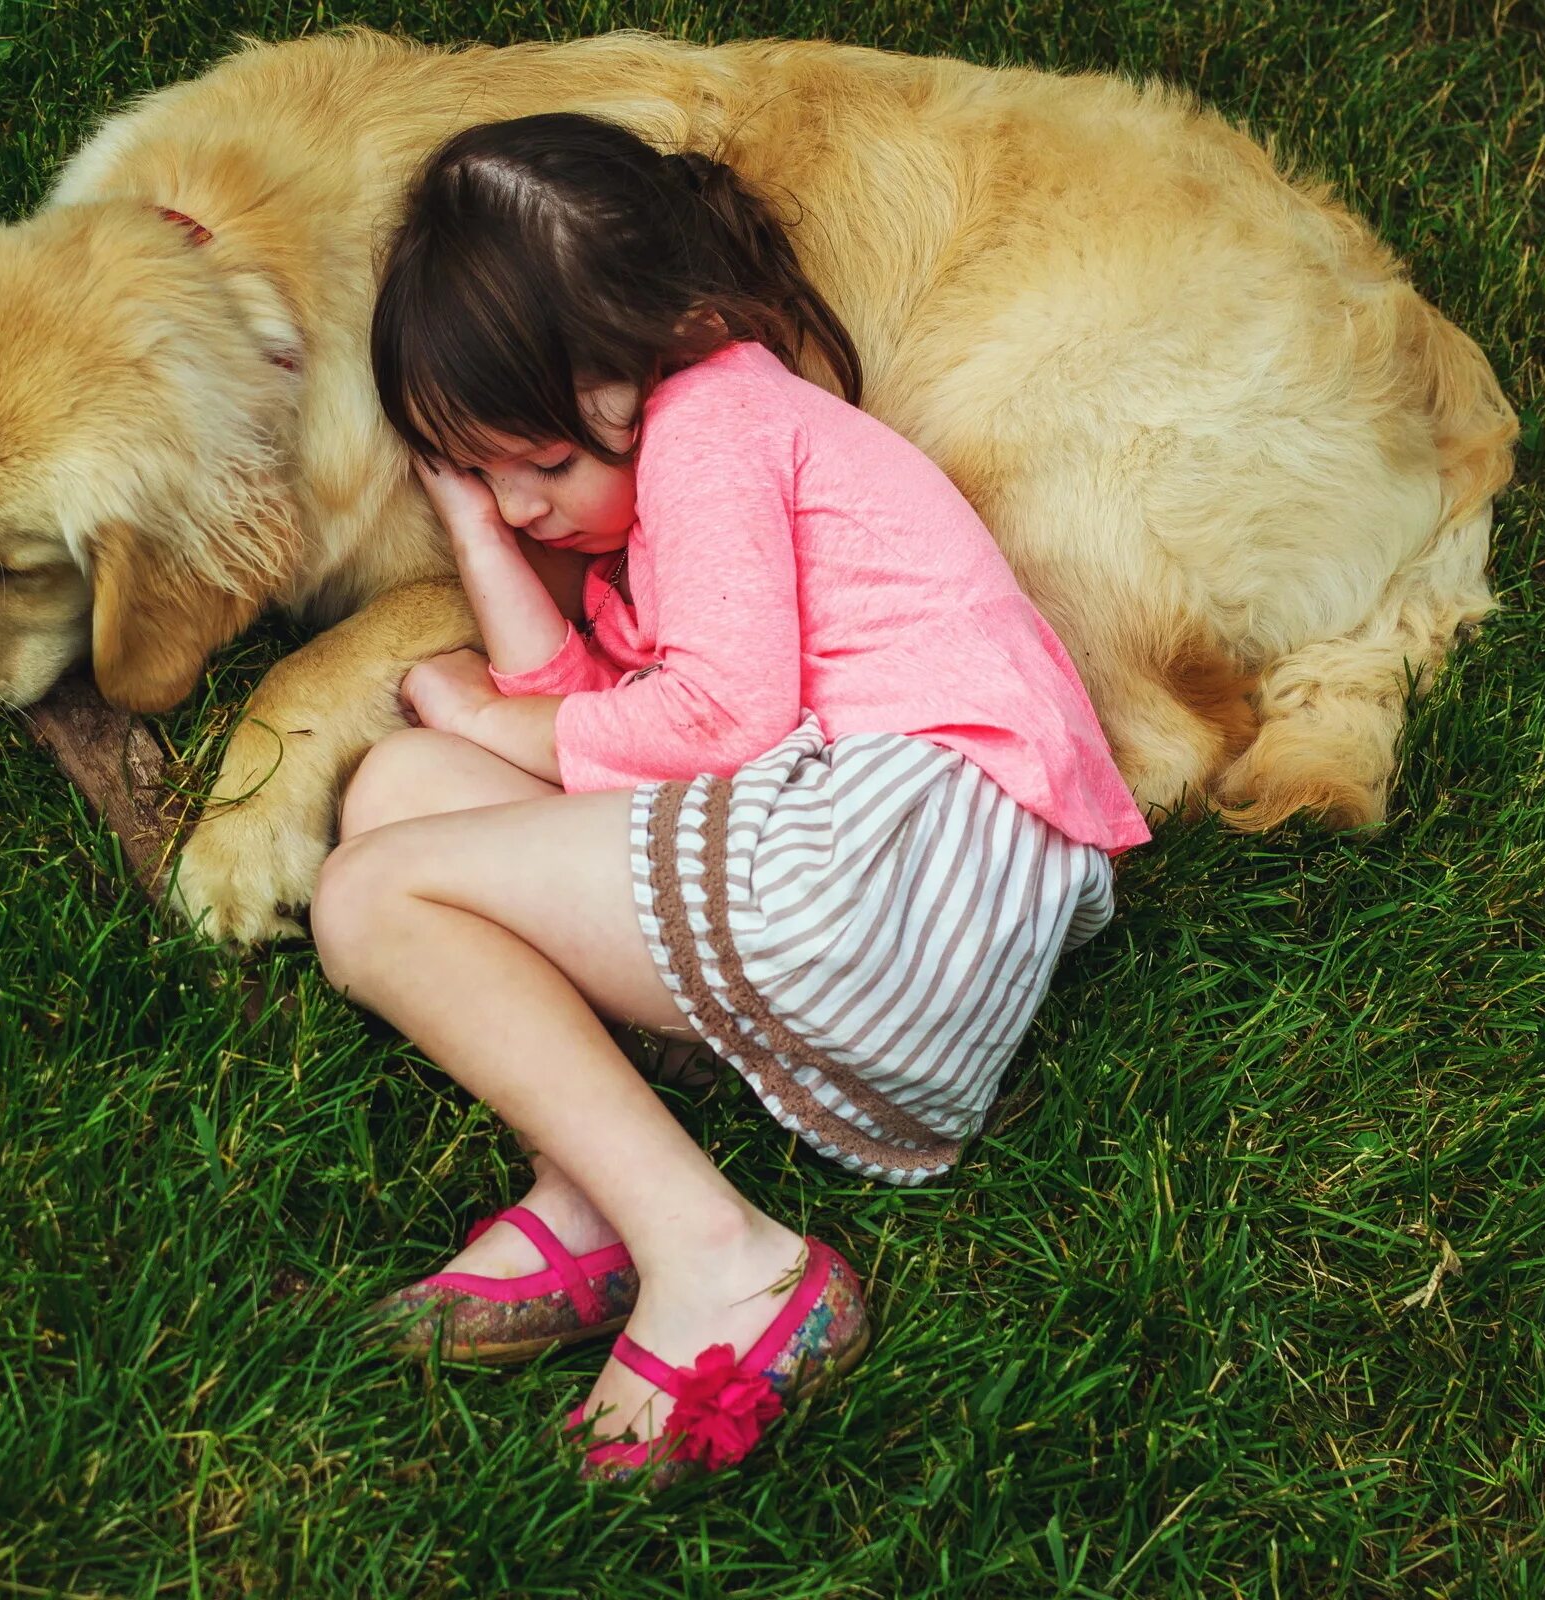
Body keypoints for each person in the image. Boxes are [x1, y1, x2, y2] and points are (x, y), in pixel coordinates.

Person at [312, 112, 1151, 1486]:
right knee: (405, 791)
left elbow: (711, 722)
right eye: (486, 472)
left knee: (368, 896)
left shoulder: (714, 427)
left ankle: (727, 1260)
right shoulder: (674, 468)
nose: (526, 507)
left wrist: (485, 711)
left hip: (891, 859)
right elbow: (597, 701)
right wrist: (477, 532)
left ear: (663, 343)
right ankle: (593, 1192)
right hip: (911, 897)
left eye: (544, 465)